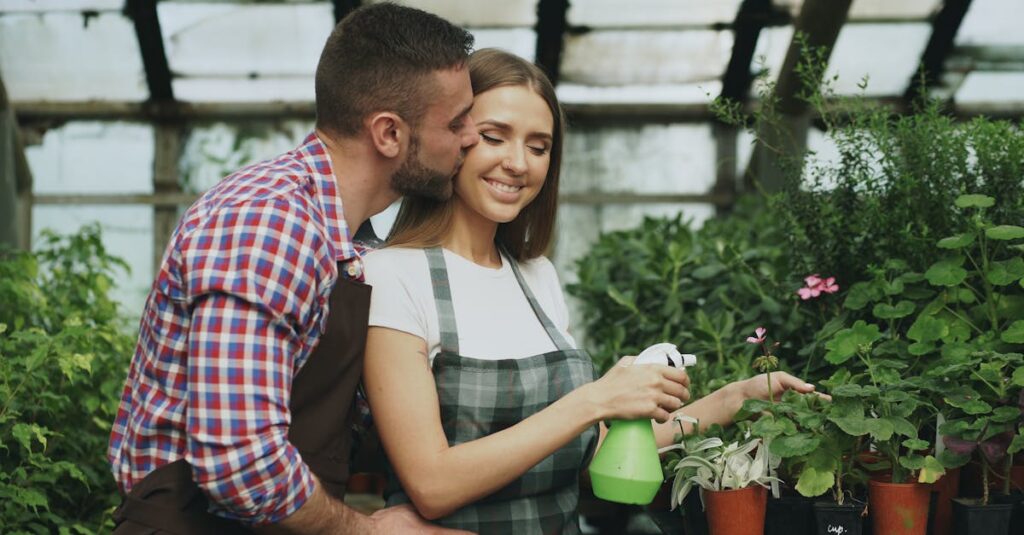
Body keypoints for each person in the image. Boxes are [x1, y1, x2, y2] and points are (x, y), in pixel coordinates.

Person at [362, 48, 821, 533]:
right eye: (494, 137)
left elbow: (587, 450)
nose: (518, 163)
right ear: (452, 140)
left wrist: (735, 399)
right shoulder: (392, 275)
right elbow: (432, 485)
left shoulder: (538, 277)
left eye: (539, 147)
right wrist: (596, 399)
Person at [107, 4, 481, 533]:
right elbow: (238, 461)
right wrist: (367, 529)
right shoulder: (269, 224)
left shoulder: (349, 239)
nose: (471, 137)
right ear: (389, 134)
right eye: (456, 121)